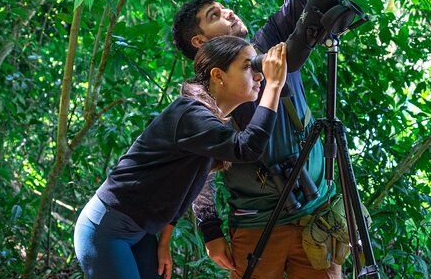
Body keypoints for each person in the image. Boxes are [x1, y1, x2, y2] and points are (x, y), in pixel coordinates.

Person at [171, 0, 341, 278]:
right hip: (255, 222)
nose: (228, 11)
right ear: (199, 42)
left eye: (223, 6)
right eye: (214, 15)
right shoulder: (200, 96)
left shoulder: (273, 40)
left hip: (315, 213)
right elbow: (199, 172)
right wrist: (211, 231)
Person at [74, 37, 288, 279]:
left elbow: (184, 189)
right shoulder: (191, 115)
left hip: (141, 232)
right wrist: (274, 86)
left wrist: (163, 242)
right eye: (249, 67)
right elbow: (246, 148)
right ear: (218, 75)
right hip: (106, 230)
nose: (259, 76)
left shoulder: (207, 120)